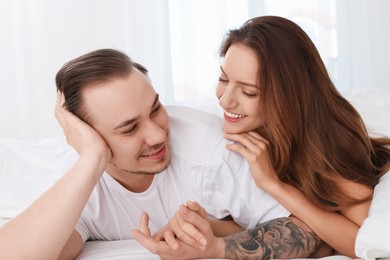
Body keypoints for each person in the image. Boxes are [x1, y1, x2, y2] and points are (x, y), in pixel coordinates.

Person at [0, 48, 328, 260]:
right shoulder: (81, 177)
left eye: (155, 108)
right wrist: (90, 160)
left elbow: (315, 232)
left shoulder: (214, 150)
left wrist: (216, 248)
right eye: (129, 129)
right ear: (87, 137)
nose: (158, 135)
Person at [134, 16, 390, 258]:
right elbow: (256, 224)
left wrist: (274, 185)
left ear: (287, 97)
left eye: (249, 92)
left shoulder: (328, 143)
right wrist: (204, 228)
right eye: (223, 78)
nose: (225, 100)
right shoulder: (238, 138)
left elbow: (363, 242)